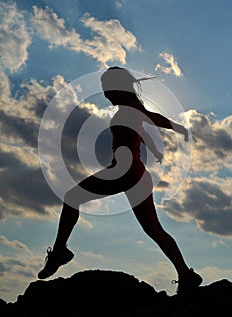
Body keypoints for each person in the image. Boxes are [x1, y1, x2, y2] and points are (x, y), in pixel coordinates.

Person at [38, 67, 202, 294]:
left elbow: (151, 118)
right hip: (138, 174)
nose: (107, 95)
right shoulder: (130, 110)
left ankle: (58, 253)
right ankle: (185, 274)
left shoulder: (131, 107)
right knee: (154, 229)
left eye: (110, 90)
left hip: (126, 170)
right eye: (104, 91)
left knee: (72, 197)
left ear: (122, 88)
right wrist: (154, 149)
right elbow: (141, 130)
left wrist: (178, 127)